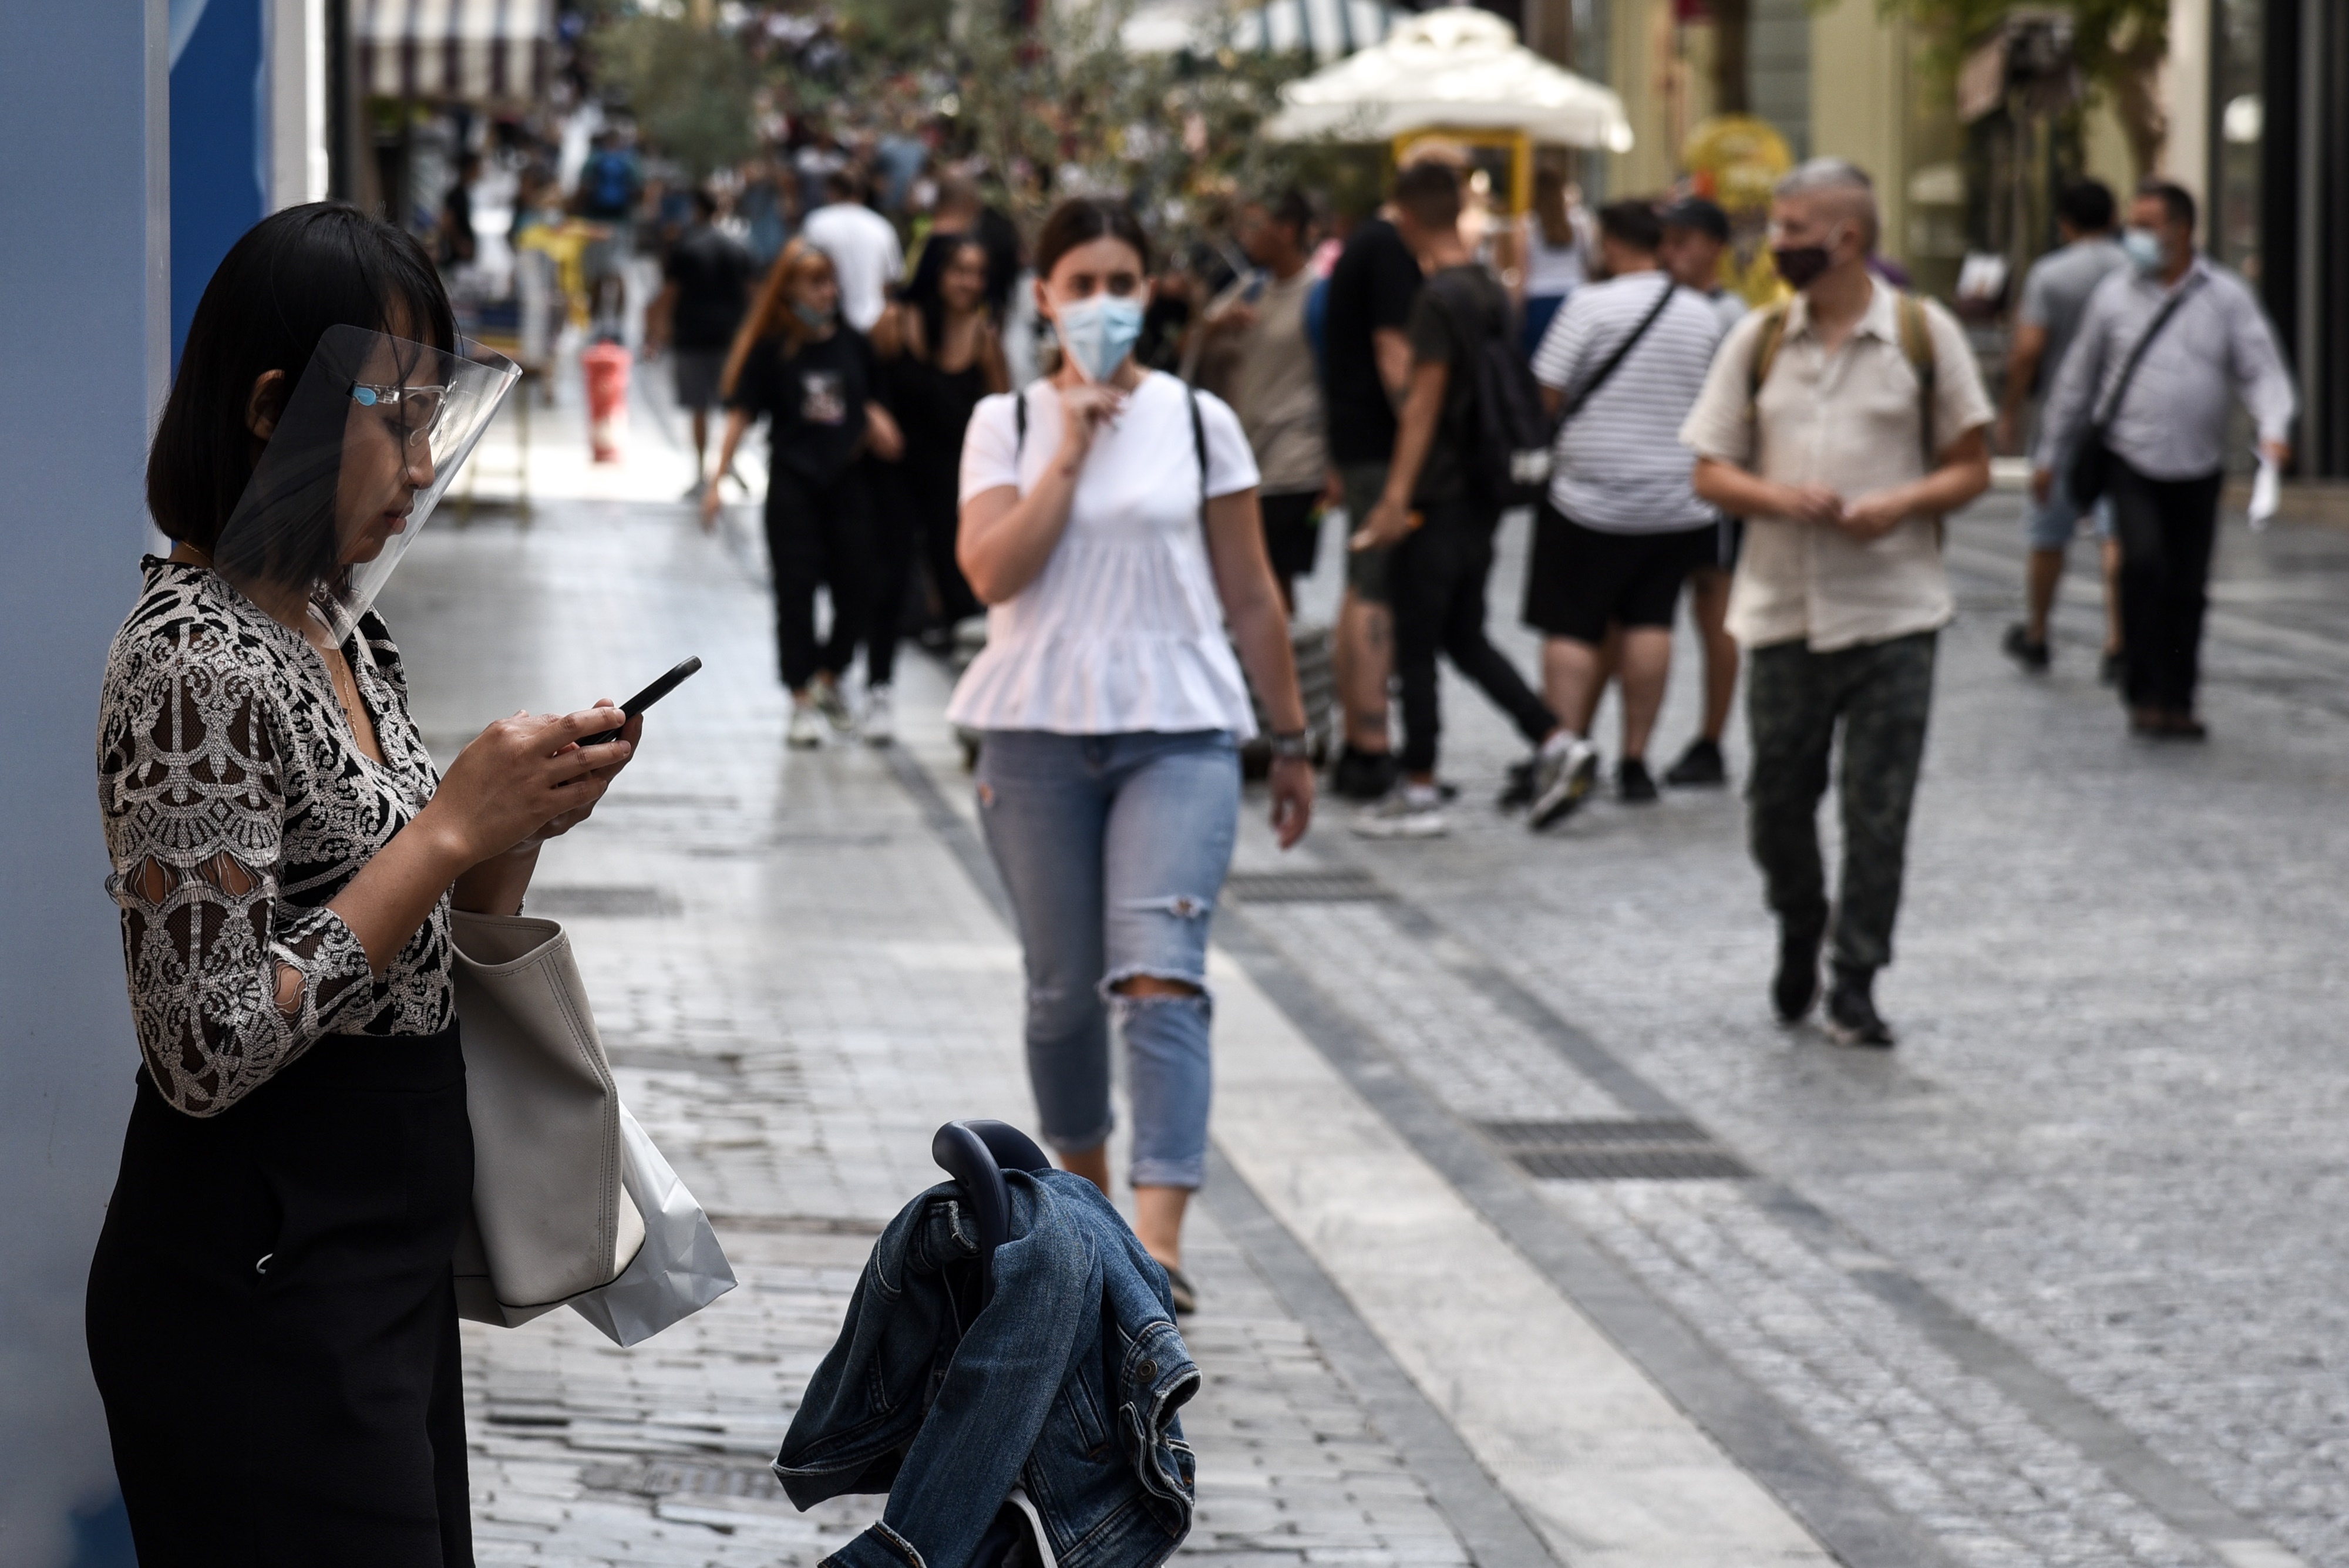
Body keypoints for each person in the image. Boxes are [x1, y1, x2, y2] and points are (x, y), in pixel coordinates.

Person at [86, 202, 644, 1563]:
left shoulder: (338, 627)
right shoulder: (195, 663)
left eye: (436, 413)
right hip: (255, 1274)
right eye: (396, 415)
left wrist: (507, 828)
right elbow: (203, 1045)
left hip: (368, 1254)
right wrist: (444, 835)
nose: (422, 456)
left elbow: (400, 933)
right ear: (274, 408)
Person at [952, 198, 1314, 1314]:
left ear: (1150, 291)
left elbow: (1252, 593)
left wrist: (1292, 737)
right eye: (1083, 281)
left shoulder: (1205, 421)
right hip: (1036, 729)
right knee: (1063, 995)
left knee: (1161, 979)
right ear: (1045, 296)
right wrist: (1072, 450)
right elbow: (992, 576)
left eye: (1125, 280)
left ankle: (1157, 1245)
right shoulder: (1006, 422)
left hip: (1183, 726)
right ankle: (1091, 1208)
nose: (1105, 302)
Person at [1683, 159, 1992, 1047]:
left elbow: (1971, 463)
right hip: (1781, 611)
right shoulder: (1759, 339)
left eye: (1790, 231)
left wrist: (1900, 504)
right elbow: (1708, 470)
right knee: (1776, 801)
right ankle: (1800, 918)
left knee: (1878, 808)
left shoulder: (1924, 337)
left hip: (1896, 611)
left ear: (1846, 238)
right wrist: (1783, 499)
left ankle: (1856, 975)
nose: (1775, 247)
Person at [1347, 161, 1575, 839]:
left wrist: (1393, 497)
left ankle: (1418, 787)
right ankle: (1555, 740)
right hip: (1482, 489)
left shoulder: (1438, 297)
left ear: (1408, 220)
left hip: (1439, 491)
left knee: (1419, 637)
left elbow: (1423, 406)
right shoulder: (1487, 287)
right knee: (1463, 634)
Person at [2032, 180, 2294, 738]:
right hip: (2132, 458)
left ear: (2183, 230)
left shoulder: (2225, 296)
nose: (2136, 237)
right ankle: (2143, 687)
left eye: (2149, 225)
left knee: (2188, 584)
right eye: (2135, 224)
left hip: (2200, 463)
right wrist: (2049, 453)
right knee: (2143, 564)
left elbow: (2262, 368)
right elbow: (2078, 380)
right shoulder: (2115, 295)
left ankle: (2179, 696)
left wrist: (2273, 429)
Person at [1525, 198, 1728, 814]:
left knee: (1572, 626)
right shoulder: (1701, 315)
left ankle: (1565, 752)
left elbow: (1548, 391)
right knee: (1651, 622)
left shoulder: (1588, 305)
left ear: (1611, 244)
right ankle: (1635, 759)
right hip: (1675, 499)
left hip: (1589, 495)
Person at [705, 240, 906, 745]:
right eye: (815, 282)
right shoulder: (774, 347)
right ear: (789, 289)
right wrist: (717, 480)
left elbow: (874, 402)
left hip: (849, 482)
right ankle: (800, 700)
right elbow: (741, 413)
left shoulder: (855, 345)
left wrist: (878, 423)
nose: (826, 292)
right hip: (794, 484)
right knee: (795, 596)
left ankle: (828, 678)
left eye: (830, 281)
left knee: (856, 589)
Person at [871, 238, 1009, 731]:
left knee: (962, 585)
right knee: (887, 581)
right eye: (959, 271)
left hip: (955, 481)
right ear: (936, 273)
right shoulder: (897, 322)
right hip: (895, 474)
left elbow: (1005, 410)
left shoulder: (983, 338)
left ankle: (983, 701)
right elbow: (857, 376)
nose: (969, 283)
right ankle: (878, 691)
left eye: (978, 272)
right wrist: (873, 413)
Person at [1317, 179, 1427, 799]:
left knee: (1362, 580)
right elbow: (1393, 355)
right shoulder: (1385, 250)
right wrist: (1421, 433)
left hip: (1357, 439)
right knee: (1374, 586)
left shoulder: (1364, 244)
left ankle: (1360, 740)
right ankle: (1371, 744)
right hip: (1379, 446)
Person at [1998, 179, 2129, 678]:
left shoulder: (2051, 275)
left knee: (2048, 532)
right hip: (2123, 421)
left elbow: (2029, 351)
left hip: (2064, 419)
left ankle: (2037, 631)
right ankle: (2119, 639)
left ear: (2064, 223)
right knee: (2115, 533)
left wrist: (2011, 409)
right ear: (2114, 217)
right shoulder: (2134, 271)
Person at [1195, 189, 1329, 613]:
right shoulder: (1250, 288)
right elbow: (1192, 342)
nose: (1245, 235)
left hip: (1294, 461)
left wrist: (1334, 468)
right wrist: (1217, 326)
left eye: (1255, 224)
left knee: (1275, 578)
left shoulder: (1319, 296)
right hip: (1245, 454)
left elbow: (1337, 379)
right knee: (1240, 575)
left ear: (1287, 231)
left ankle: (1285, 668)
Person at [1657, 194, 1749, 786]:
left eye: (1681, 244)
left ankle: (1711, 740)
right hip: (1654, 483)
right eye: (1665, 243)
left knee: (1713, 609)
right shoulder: (1660, 304)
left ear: (1712, 248)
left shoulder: (1730, 316)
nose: (1670, 256)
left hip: (1706, 487)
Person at [647, 187, 756, 496]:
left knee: (698, 406)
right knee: (735, 405)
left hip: (691, 336)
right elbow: (754, 294)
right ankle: (729, 460)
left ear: (696, 209)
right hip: (731, 338)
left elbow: (670, 295)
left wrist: (655, 334)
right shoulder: (740, 247)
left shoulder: (685, 247)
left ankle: (701, 471)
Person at [800, 168, 904, 333]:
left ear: (832, 191)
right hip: (872, 324)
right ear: (862, 193)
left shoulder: (816, 223)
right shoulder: (882, 226)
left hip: (826, 326)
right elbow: (891, 281)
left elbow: (804, 274)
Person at [1516, 167, 1593, 359]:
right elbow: (1590, 263)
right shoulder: (1581, 224)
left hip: (1539, 298)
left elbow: (1522, 272)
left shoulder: (1526, 226)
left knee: (1539, 363)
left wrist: (1517, 310)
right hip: (1575, 296)